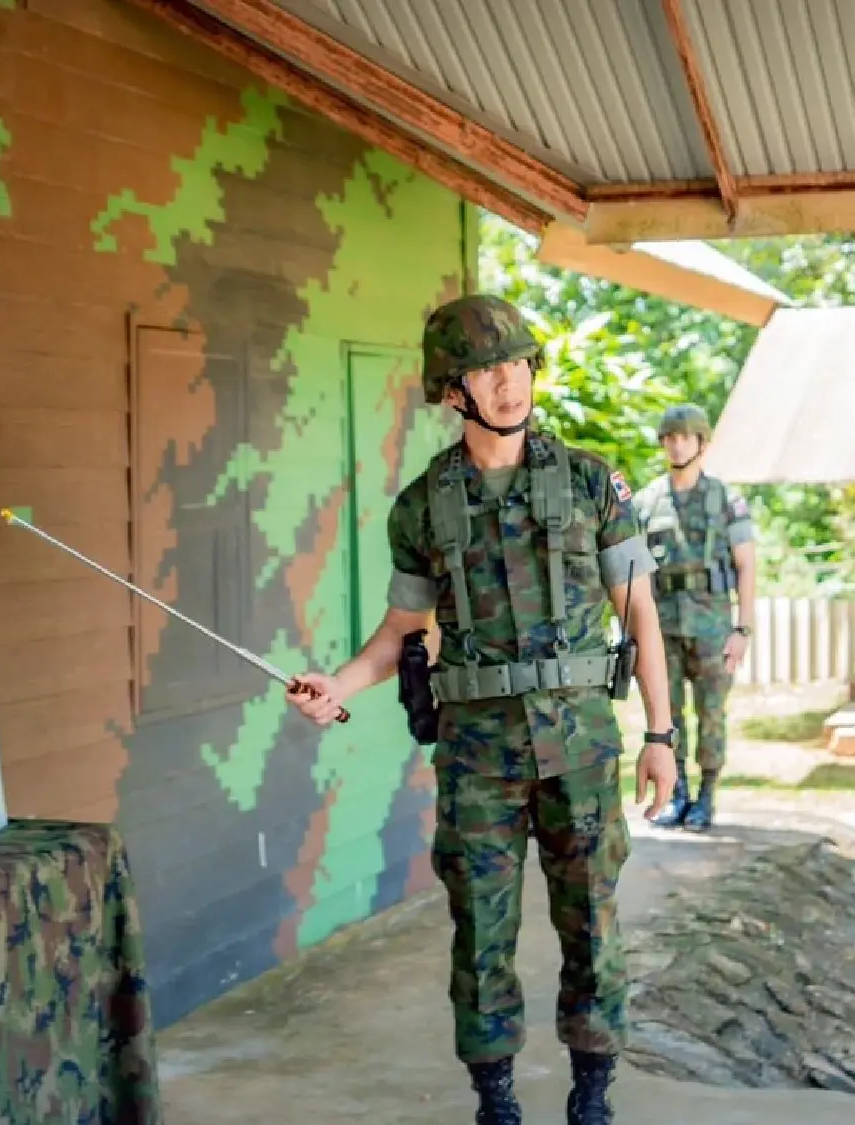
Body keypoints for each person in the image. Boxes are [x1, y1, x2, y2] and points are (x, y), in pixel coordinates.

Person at [287, 294, 678, 1125]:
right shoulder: (423, 507)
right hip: (477, 760)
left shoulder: (589, 481)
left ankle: (593, 1096)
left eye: (517, 363)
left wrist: (662, 733)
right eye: (486, 369)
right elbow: (401, 630)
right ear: (451, 391)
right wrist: (338, 686)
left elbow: (640, 612)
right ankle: (495, 1101)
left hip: (578, 748)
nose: (508, 382)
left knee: (594, 928)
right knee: (481, 935)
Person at [632, 403, 757, 831]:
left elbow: (746, 566)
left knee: (711, 715)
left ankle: (707, 796)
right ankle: (677, 793)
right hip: (661, 627)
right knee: (666, 714)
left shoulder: (726, 499)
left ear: (701, 442)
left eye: (685, 436)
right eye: (670, 437)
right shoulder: (647, 501)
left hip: (712, 626)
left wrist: (743, 628)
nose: (677, 444)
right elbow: (631, 572)